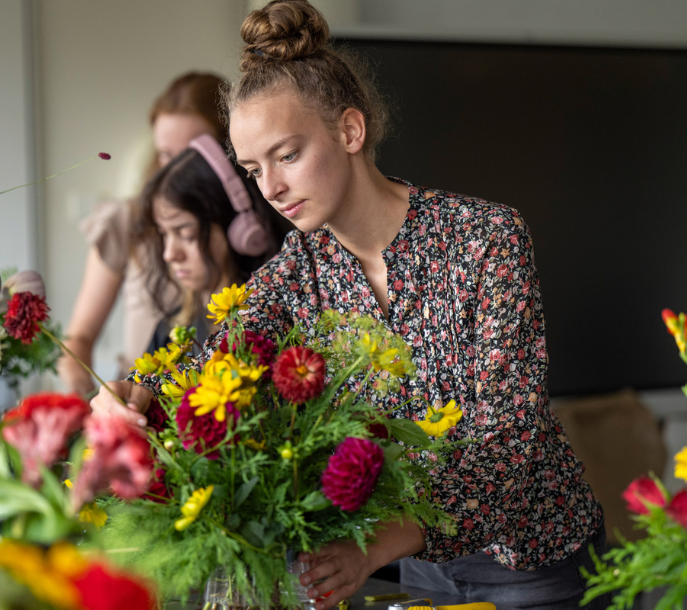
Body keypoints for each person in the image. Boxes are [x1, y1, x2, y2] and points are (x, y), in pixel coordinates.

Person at [91, 2, 609, 608]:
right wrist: (131, 390)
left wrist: (377, 545)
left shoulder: (485, 238)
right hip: (416, 564)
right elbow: (214, 355)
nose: (272, 189)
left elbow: (510, 442)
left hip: (532, 562)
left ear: (350, 131)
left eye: (287, 155)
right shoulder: (298, 269)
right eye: (254, 169)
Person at [58, 72, 227, 395]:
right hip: (137, 401)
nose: (174, 171)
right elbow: (78, 338)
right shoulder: (124, 221)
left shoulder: (251, 232)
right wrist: (83, 399)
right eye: (165, 154)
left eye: (191, 155)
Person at [141, 133, 289, 353]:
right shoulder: (169, 333)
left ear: (243, 230)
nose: (170, 254)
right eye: (164, 234)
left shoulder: (282, 324)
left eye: (187, 234)